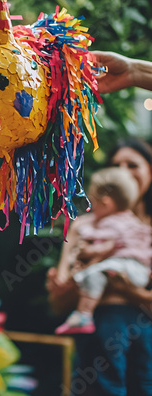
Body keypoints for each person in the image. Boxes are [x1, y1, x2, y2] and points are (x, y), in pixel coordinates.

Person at [47, 137, 152, 396]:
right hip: (97, 342)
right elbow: (58, 303)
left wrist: (120, 286)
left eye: (133, 165)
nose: (123, 172)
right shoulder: (85, 227)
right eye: (116, 165)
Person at [55, 167, 151, 335]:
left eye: (93, 201)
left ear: (106, 203)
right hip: (138, 273)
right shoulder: (132, 222)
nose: (91, 207)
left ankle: (83, 314)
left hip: (124, 269)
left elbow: (107, 246)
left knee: (88, 275)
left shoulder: (109, 223)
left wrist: (88, 251)